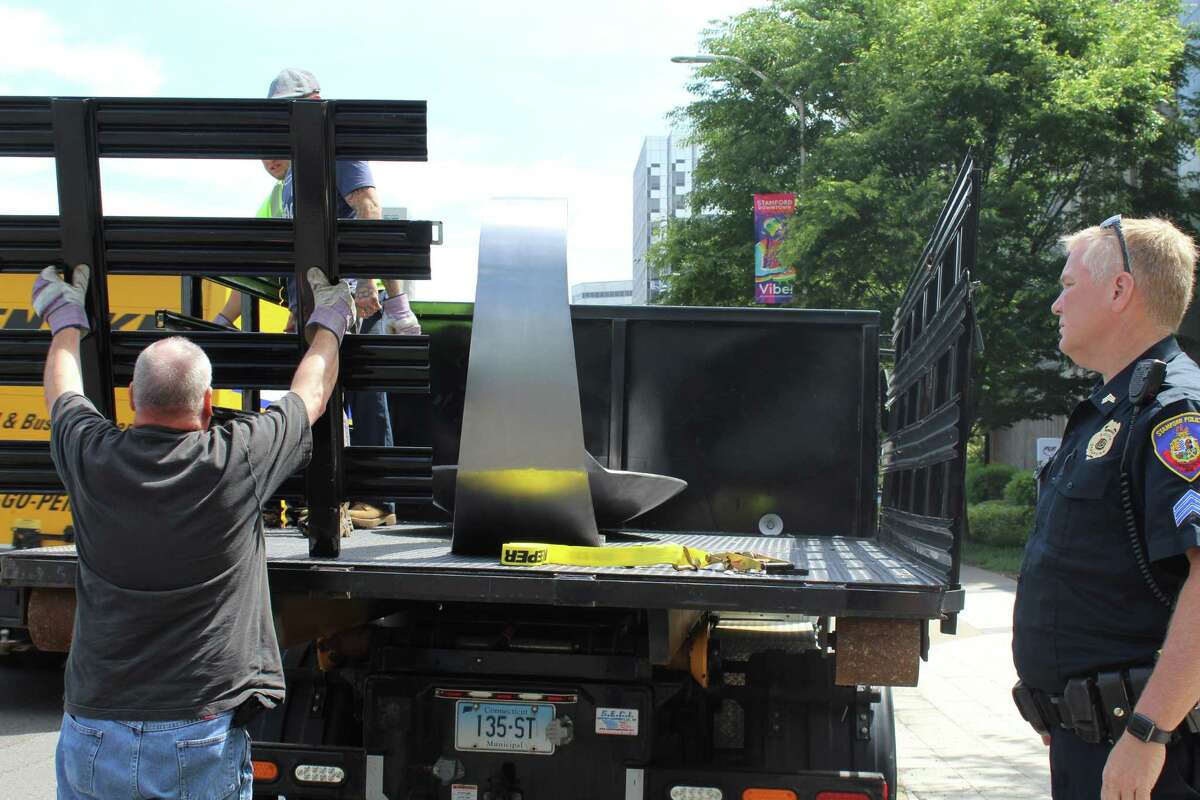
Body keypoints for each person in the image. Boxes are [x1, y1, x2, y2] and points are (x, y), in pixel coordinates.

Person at [37, 262, 356, 800]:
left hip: (92, 727)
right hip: (196, 731)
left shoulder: (91, 456)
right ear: (208, 403)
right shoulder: (235, 459)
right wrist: (331, 319)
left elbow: (62, 390)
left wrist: (64, 315)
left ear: (132, 397)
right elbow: (310, 396)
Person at [1011, 216, 1200, 799]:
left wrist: (1148, 732)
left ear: (1119, 290)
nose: (1056, 304)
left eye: (1068, 285)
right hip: (1092, 738)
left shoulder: (1174, 412)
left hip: (1149, 750)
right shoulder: (1115, 409)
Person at [261, 68, 421, 529]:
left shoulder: (338, 147)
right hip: (317, 303)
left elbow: (369, 209)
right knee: (318, 396)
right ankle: (322, 494)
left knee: (365, 394)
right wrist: (296, 308)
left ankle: (379, 501)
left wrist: (369, 284)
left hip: (352, 295)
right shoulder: (294, 173)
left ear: (314, 103)